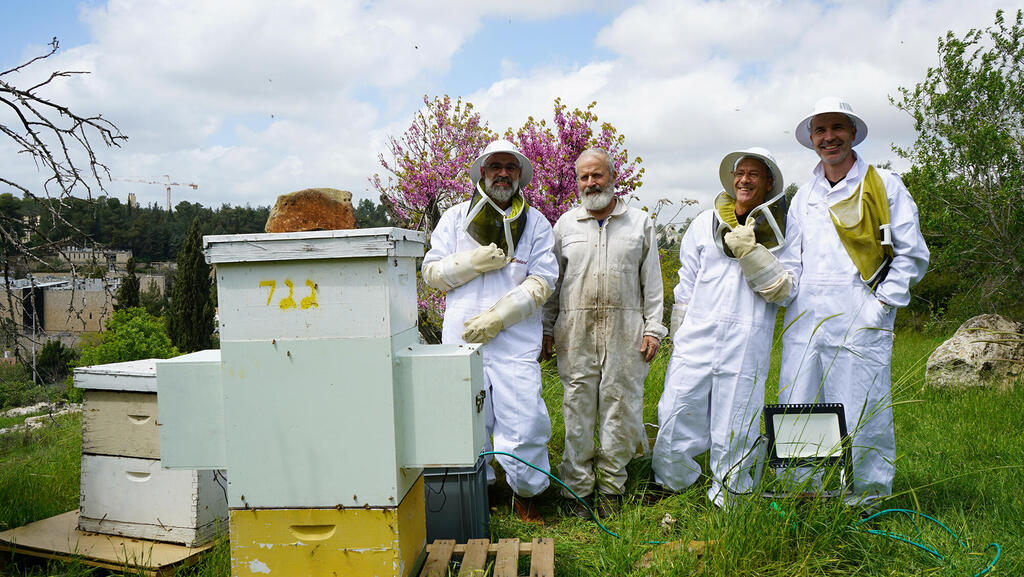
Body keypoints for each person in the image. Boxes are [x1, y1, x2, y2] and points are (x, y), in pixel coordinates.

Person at [779, 97, 929, 503]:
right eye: (821, 131)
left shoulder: (883, 185)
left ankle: (866, 498)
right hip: (805, 320)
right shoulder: (803, 195)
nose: (829, 138)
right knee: (801, 405)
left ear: (852, 133)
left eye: (837, 128)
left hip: (861, 315)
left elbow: (912, 254)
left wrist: (879, 309)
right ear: (811, 139)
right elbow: (792, 260)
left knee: (864, 407)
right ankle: (803, 493)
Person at [652, 147, 799, 507]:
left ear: (768, 183)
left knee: (737, 419)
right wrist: (679, 334)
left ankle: (730, 495)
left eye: (754, 174)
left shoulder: (785, 228)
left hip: (747, 336)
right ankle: (672, 483)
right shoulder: (704, 223)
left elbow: (785, 290)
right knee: (675, 409)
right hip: (697, 335)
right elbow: (685, 285)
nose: (744, 180)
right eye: (740, 173)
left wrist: (753, 254)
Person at [421, 139, 558, 523]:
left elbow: (543, 280)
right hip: (462, 344)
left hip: (514, 341)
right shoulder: (453, 219)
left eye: (510, 168)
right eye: (495, 166)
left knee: (525, 419)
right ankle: (476, 492)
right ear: (482, 172)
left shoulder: (537, 223)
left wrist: (498, 316)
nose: (502, 173)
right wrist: (471, 262)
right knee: (468, 421)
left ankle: (526, 493)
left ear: (519, 176)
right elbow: (432, 273)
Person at [541, 148, 666, 518]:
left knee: (621, 409)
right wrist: (547, 329)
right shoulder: (564, 225)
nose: (591, 183)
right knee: (576, 408)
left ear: (613, 177)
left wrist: (654, 328)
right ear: (578, 182)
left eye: (597, 175)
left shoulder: (639, 223)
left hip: (627, 329)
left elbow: (653, 284)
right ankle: (577, 491)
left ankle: (612, 488)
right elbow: (552, 283)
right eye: (584, 177)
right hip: (575, 330)